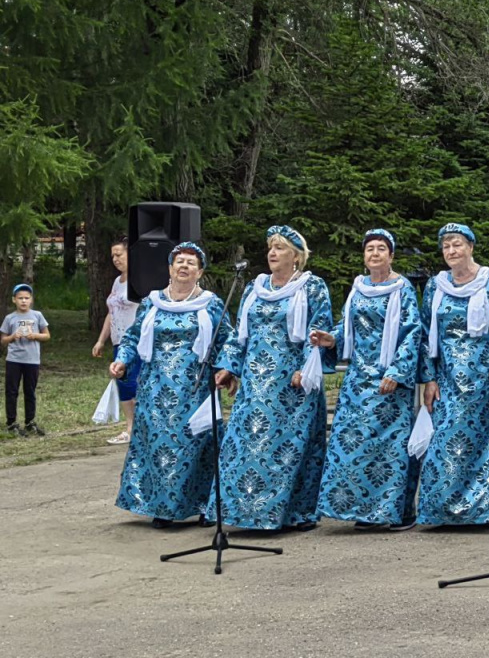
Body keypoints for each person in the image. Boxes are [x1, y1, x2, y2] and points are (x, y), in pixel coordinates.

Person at [212, 225, 333, 532]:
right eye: (270, 247)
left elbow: (317, 331)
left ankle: (295, 513)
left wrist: (306, 368)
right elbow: (240, 332)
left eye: (280, 248)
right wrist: (229, 367)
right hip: (255, 382)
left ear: (296, 256)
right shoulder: (255, 288)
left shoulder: (312, 287)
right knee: (247, 446)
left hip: (292, 381)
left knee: (289, 448)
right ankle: (242, 511)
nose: (272, 253)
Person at [110, 242, 230, 528]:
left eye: (191, 262)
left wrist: (227, 369)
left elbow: (228, 339)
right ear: (169, 268)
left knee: (197, 445)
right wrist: (122, 361)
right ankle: (163, 507)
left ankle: (204, 505)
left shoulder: (211, 304)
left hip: (194, 387)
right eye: (179, 261)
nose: (184, 266)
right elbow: (132, 337)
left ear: (200, 272)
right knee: (159, 446)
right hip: (155, 388)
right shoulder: (152, 302)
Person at [311, 229, 422, 531]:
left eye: (381, 248)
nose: (374, 253)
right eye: (370, 248)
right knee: (355, 444)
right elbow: (348, 327)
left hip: (389, 381)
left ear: (391, 255)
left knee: (389, 449)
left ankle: (396, 513)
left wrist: (397, 372)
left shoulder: (402, 289)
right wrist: (331, 339)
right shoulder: (358, 288)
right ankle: (363, 510)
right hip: (358, 379)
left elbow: (412, 333)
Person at [416, 223, 489, 529]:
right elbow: (425, 334)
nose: (451, 251)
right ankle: (443, 512)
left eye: (457, 244)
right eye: (446, 246)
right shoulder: (436, 285)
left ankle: (488, 512)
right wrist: (429, 379)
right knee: (445, 443)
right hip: (447, 379)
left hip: (485, 379)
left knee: (487, 444)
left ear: (471, 247)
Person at [92, 236, 139, 445]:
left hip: (136, 341)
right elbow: (111, 313)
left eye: (119, 254)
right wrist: (101, 340)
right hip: (118, 340)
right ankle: (130, 427)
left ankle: (139, 428)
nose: (115, 259)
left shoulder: (140, 281)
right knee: (123, 383)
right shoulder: (116, 282)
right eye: (113, 256)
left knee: (134, 382)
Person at [3, 284, 51, 437]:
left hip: (32, 360)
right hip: (14, 360)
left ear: (31, 300)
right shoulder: (10, 318)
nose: (23, 301)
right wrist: (12, 337)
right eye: (20, 298)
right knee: (12, 391)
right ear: (14, 300)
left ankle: (30, 422)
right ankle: (11, 423)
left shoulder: (37, 315)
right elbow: (3, 339)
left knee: (30, 391)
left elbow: (47, 335)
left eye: (26, 298)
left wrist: (35, 336)